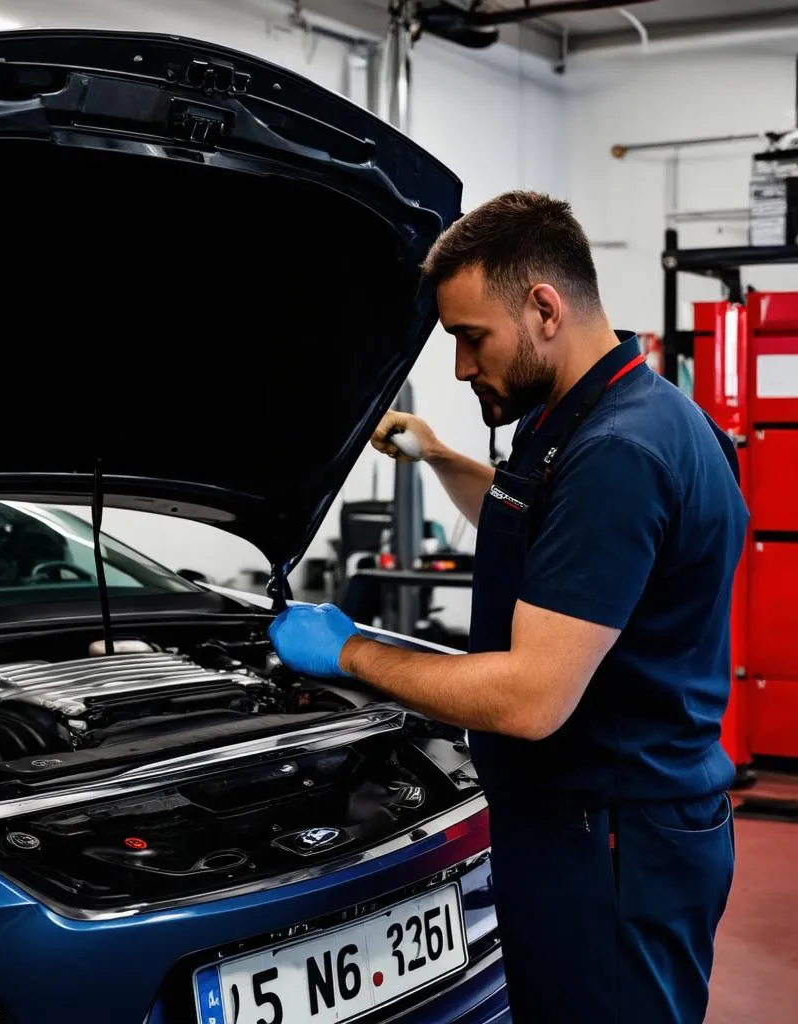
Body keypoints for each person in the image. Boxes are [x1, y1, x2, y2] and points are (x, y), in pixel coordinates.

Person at [268, 191, 748, 1023]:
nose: (461, 366)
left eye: (469, 337)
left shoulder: (616, 454)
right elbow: (550, 520)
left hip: (608, 842)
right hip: (610, 826)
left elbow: (530, 699)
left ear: (544, 308)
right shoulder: (622, 412)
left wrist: (350, 653)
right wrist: (442, 458)